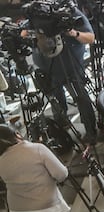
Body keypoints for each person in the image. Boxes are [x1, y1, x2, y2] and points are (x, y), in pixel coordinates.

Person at [29, 3, 97, 146]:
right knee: (57, 103)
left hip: (70, 68)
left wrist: (73, 33)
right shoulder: (35, 14)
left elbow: (90, 38)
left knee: (81, 99)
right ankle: (61, 130)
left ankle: (91, 132)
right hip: (48, 71)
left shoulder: (68, 11)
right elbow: (23, 33)